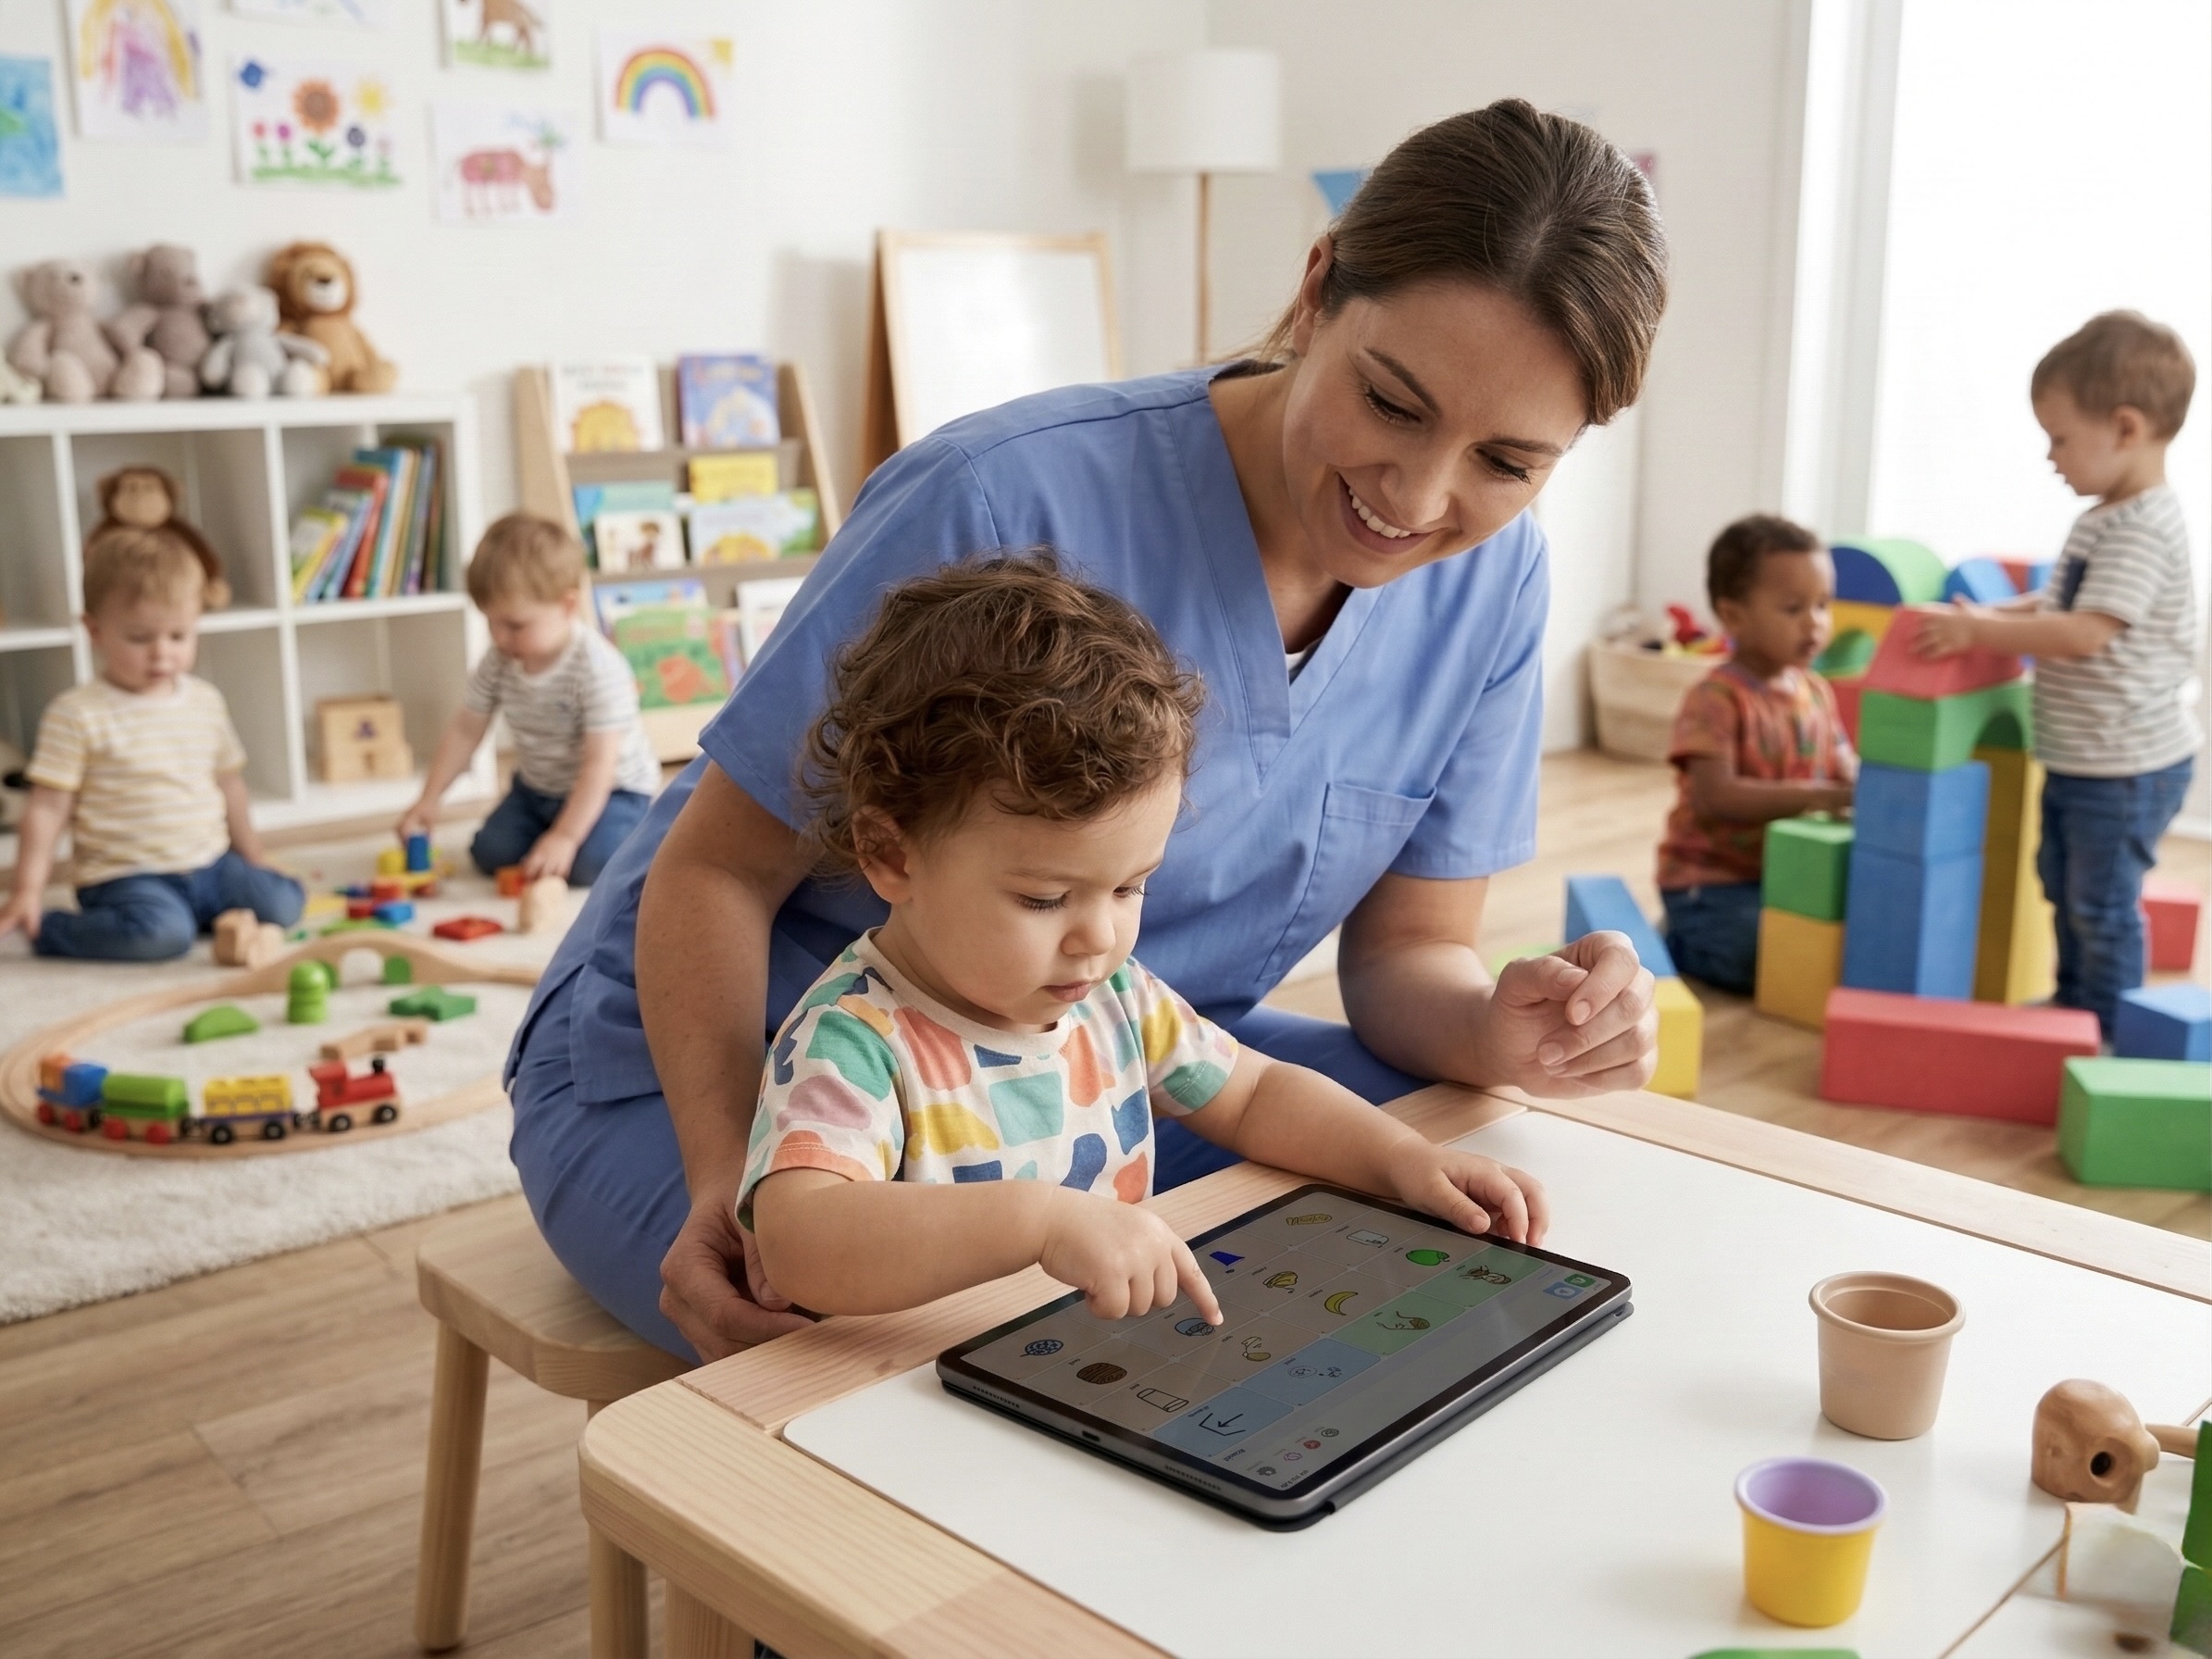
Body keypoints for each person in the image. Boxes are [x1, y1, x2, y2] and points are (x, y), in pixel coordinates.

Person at [507, 98, 1671, 1364]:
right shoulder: (1000, 494)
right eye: (1391, 404)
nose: (1420, 496)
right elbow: (718, 868)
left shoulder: (1492, 585)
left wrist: (1504, 1031)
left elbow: (1408, 960)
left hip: (1090, 1053)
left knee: (1484, 1192)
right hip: (755, 1059)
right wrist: (729, 1177)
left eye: (1506, 461)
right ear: (1315, 290)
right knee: (947, 1359)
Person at [745, 555, 1546, 1323]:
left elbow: (1257, 1096)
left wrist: (1406, 1162)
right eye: (1045, 898)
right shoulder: (854, 1040)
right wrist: (1037, 1223)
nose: (1098, 938)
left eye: (1130, 887)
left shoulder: (1113, 998)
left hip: (1080, 1360)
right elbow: (798, 1240)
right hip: (911, 1391)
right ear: (892, 853)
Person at [1916, 311, 2198, 1034]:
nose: (2051, 457)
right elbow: (2062, 600)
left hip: (2127, 765)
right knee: (2063, 883)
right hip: (2086, 758)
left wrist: (1981, 630)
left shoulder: (2141, 525)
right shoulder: (2104, 516)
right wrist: (2000, 613)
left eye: (2061, 439)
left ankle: (2101, 1021)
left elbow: (2084, 632)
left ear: (2127, 429)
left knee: (2100, 901)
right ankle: (2079, 1002)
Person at [0, 525, 302, 958]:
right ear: (95, 630)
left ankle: (193, 910)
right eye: (140, 638)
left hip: (210, 864)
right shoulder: (77, 713)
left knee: (284, 902)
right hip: (125, 876)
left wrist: (254, 856)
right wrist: (27, 891)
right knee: (161, 937)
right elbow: (47, 811)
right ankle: (54, 930)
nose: (162, 653)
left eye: (178, 636)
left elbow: (229, 785)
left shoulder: (205, 701)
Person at [398, 511, 659, 886]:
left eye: (515, 625)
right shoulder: (499, 661)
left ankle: (648, 837)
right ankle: (553, 833)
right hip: (538, 789)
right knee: (490, 854)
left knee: (589, 867)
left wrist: (565, 837)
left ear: (567, 607)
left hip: (614, 792)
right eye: (491, 622)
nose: (500, 638)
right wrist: (429, 799)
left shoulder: (598, 669)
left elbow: (599, 765)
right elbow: (465, 730)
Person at [1655, 516, 1858, 993]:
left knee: (1847, 941)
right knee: (1765, 959)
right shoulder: (1716, 698)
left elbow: (1846, 766)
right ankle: (1677, 940)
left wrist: (1868, 787)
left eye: (1823, 604)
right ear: (1734, 616)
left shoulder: (1817, 692)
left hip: (1789, 875)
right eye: (1793, 608)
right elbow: (1717, 797)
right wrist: (1822, 797)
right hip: (1714, 884)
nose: (1815, 622)